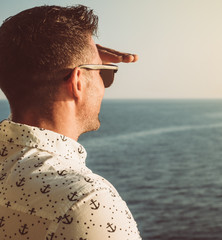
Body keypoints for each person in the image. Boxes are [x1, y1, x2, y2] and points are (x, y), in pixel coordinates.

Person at [0, 5, 141, 240]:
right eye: (103, 74)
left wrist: (85, 59)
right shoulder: (88, 201)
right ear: (78, 81)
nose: (104, 85)